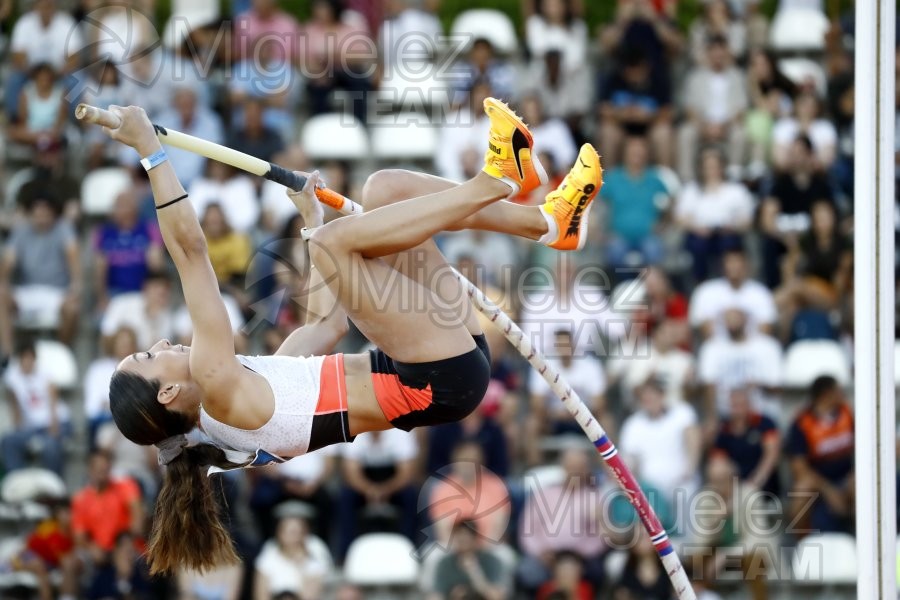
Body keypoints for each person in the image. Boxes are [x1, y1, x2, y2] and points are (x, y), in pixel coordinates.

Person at [101, 99, 603, 574]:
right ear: (167, 393)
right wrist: (151, 151)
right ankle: (495, 181)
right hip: (434, 376)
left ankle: (547, 222)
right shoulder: (217, 388)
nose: (163, 345)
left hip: (439, 359)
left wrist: (309, 219)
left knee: (384, 190)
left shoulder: (246, 402)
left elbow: (326, 326)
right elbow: (190, 253)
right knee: (333, 245)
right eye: (149, 356)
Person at [0, 193, 81, 358]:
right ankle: (7, 354)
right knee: (1, 295)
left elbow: (72, 257)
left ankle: (61, 352)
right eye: (37, 214)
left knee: (73, 308)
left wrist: (75, 285)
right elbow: (8, 262)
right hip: (26, 291)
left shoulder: (63, 228)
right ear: (31, 214)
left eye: (45, 213)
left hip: (56, 293)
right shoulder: (21, 231)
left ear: (53, 213)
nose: (41, 218)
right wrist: (4, 279)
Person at [785, 375, 854, 535]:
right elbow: (799, 468)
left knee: (860, 482)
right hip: (818, 482)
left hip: (846, 477)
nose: (842, 394)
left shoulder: (846, 413)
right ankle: (801, 545)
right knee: (802, 489)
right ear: (826, 394)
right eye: (838, 390)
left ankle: (861, 534)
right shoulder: (802, 423)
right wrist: (828, 490)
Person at [1, 339, 70, 474]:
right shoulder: (13, 377)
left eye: (30, 357)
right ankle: (17, 482)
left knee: (50, 446)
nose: (28, 361)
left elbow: (53, 403)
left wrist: (54, 428)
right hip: (32, 427)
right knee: (8, 441)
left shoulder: (46, 374)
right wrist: (18, 429)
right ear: (19, 359)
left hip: (57, 422)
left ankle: (55, 486)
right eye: (24, 357)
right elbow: (15, 406)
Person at [93, 190, 165, 308]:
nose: (120, 209)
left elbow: (157, 262)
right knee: (100, 263)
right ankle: (103, 300)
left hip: (143, 292)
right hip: (114, 292)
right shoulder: (103, 232)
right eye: (118, 205)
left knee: (154, 256)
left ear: (134, 206)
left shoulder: (149, 228)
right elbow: (98, 266)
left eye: (125, 204)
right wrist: (102, 297)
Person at [429, 520, 510, 600]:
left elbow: (497, 597)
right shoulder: (445, 563)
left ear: (475, 538)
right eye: (459, 536)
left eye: (466, 537)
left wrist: (475, 573)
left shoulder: (491, 561)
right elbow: (436, 595)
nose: (462, 541)